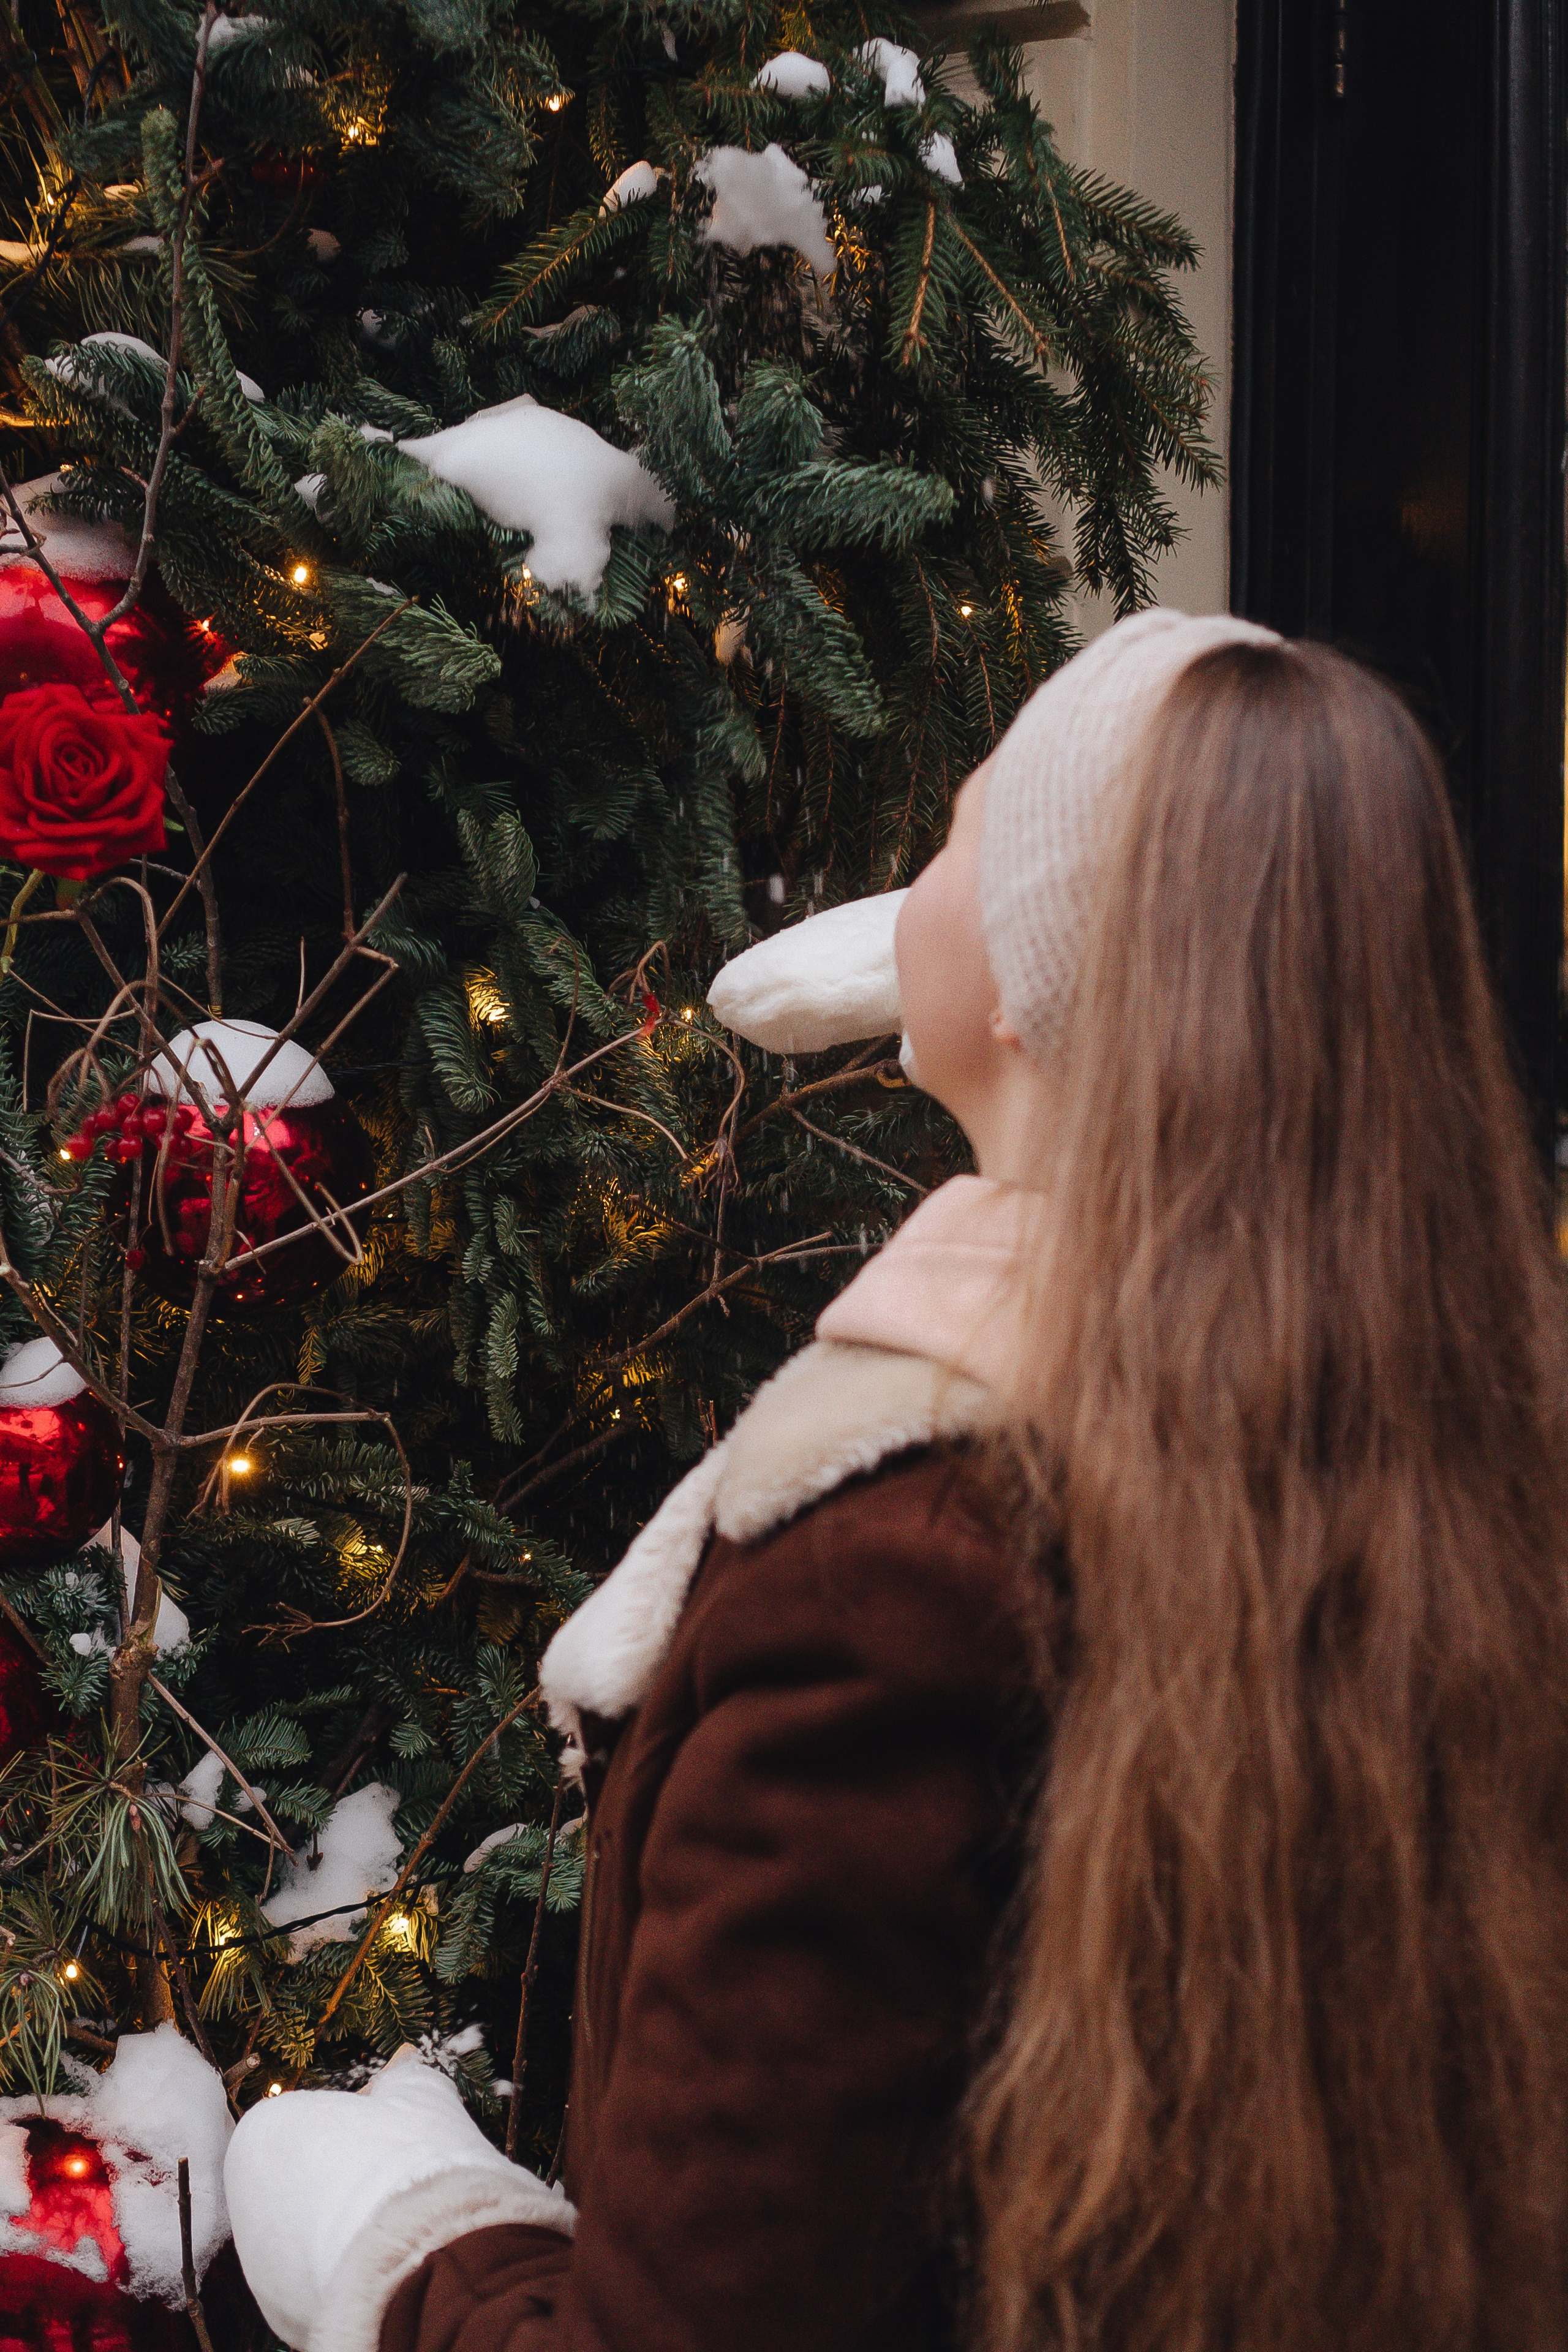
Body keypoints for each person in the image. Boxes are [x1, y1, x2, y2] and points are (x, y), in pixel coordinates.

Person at [222, 611, 1568, 2352]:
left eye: (951, 833)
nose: (915, 877)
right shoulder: (1434, 1479)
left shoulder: (902, 1593)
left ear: (1026, 971)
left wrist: (412, 2246)